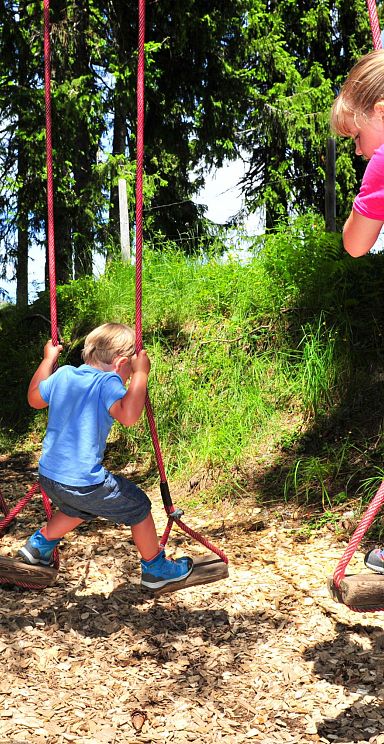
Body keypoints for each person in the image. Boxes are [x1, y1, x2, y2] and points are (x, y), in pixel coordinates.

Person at [18, 322, 193, 590]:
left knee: (80, 508)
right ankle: (156, 568)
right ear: (122, 363)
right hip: (82, 480)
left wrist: (47, 360)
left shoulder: (63, 374)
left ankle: (39, 545)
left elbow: (34, 399)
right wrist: (141, 375)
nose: (126, 378)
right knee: (139, 506)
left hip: (49, 476)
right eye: (128, 371)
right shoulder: (107, 381)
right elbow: (128, 415)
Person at [331, 49, 384, 574]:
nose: (356, 148)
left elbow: (355, 244)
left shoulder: (381, 164)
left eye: (355, 136)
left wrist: (361, 203)